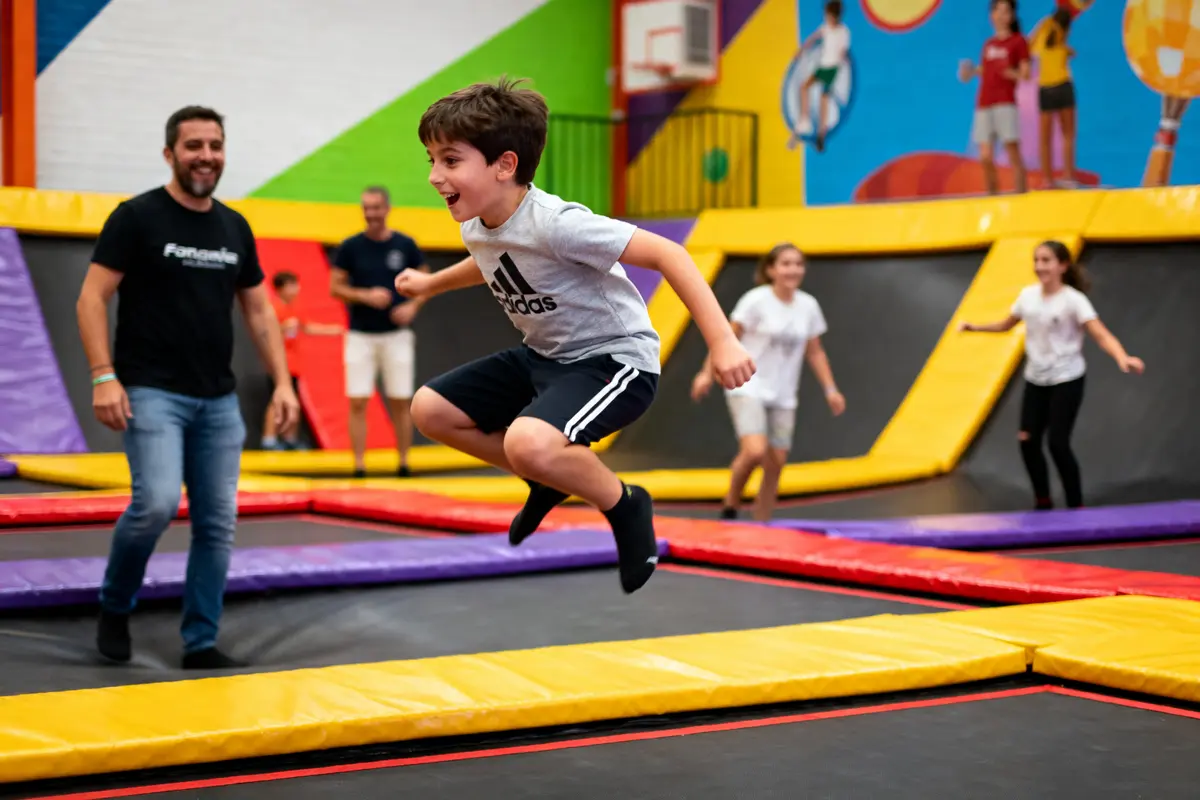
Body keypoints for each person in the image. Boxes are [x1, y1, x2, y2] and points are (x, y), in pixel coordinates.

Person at [393, 77, 755, 594]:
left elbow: (668, 254)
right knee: (431, 411)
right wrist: (431, 284)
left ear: (505, 165)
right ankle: (547, 476)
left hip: (614, 362)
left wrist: (723, 342)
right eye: (430, 160)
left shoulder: (558, 223)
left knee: (527, 441)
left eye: (449, 161)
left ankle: (625, 504)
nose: (434, 176)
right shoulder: (477, 222)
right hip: (544, 356)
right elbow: (491, 260)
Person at [76, 105, 300, 669]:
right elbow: (90, 298)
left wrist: (283, 386)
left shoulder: (233, 227)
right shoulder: (137, 217)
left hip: (218, 400)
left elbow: (259, 311)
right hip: (152, 392)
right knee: (153, 504)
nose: (206, 156)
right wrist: (104, 376)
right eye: (194, 145)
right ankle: (114, 603)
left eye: (215, 145)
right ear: (170, 153)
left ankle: (200, 639)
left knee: (216, 522)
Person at [958, 240, 1144, 510]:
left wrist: (1122, 357)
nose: (1039, 266)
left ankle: (1075, 504)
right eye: (1036, 260)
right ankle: (1043, 500)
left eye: (1046, 260)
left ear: (1063, 265)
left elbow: (1101, 334)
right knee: (1027, 441)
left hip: (1067, 379)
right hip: (1036, 379)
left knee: (1057, 443)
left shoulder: (1073, 300)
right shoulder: (1027, 296)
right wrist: (975, 327)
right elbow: (1006, 324)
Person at [690, 244, 845, 521]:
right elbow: (725, 337)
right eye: (786, 264)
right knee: (754, 450)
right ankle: (731, 502)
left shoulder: (808, 305)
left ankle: (762, 520)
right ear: (771, 270)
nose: (793, 269)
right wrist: (706, 373)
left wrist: (830, 389)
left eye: (798, 264)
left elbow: (815, 350)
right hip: (747, 384)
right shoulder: (755, 300)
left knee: (777, 462)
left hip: (784, 393)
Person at [330, 186, 430, 477]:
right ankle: (359, 465)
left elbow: (427, 280)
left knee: (401, 399)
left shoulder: (405, 245)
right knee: (358, 400)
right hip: (360, 335)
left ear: (387, 208)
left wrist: (413, 306)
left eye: (375, 207)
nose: (371, 213)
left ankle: (403, 463)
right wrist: (365, 295)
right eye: (366, 208)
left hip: (397, 335)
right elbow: (334, 287)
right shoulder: (350, 247)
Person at [261, 271, 344, 450]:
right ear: (280, 289)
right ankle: (268, 439)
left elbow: (307, 327)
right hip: (279, 365)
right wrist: (283, 328)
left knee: (293, 401)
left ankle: (289, 438)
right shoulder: (273, 309)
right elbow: (266, 335)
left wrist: (332, 330)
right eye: (292, 285)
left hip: (294, 365)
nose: (296, 289)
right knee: (276, 402)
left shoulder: (295, 308)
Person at [959, 0, 1030, 194]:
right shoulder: (988, 44)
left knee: (1012, 151)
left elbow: (1025, 73)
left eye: (1005, 11)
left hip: (1005, 103)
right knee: (985, 156)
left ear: (1011, 16)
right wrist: (970, 72)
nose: (1001, 15)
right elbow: (987, 69)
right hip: (984, 103)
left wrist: (1011, 73)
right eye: (997, 11)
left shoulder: (1018, 41)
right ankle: (992, 197)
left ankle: (1022, 195)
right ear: (991, 16)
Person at [1030, 6, 1081, 188]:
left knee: (1045, 139)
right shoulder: (1061, 35)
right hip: (1063, 86)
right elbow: (1061, 47)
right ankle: (1069, 175)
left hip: (1046, 89)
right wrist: (1067, 52)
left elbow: (1031, 46)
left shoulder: (1045, 27)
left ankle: (1047, 179)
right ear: (1067, 26)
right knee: (1068, 134)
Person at [791, 0, 850, 153]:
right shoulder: (825, 28)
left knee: (824, 98)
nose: (825, 17)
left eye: (827, 14)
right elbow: (813, 38)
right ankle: (805, 119)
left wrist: (841, 59)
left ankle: (821, 134)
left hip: (831, 69)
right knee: (805, 87)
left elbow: (843, 50)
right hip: (822, 67)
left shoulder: (843, 31)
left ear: (833, 16)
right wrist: (801, 50)